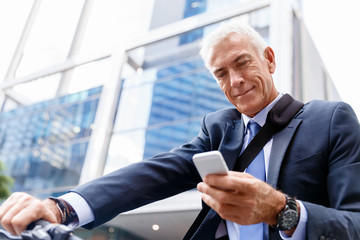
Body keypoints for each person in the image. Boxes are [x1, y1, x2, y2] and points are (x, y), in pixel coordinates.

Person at [1, 20, 360, 240]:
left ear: (269, 59)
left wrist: (282, 210)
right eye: (221, 73)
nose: (234, 81)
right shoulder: (219, 127)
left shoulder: (330, 119)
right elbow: (153, 174)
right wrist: (61, 208)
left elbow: (354, 224)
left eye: (242, 63)